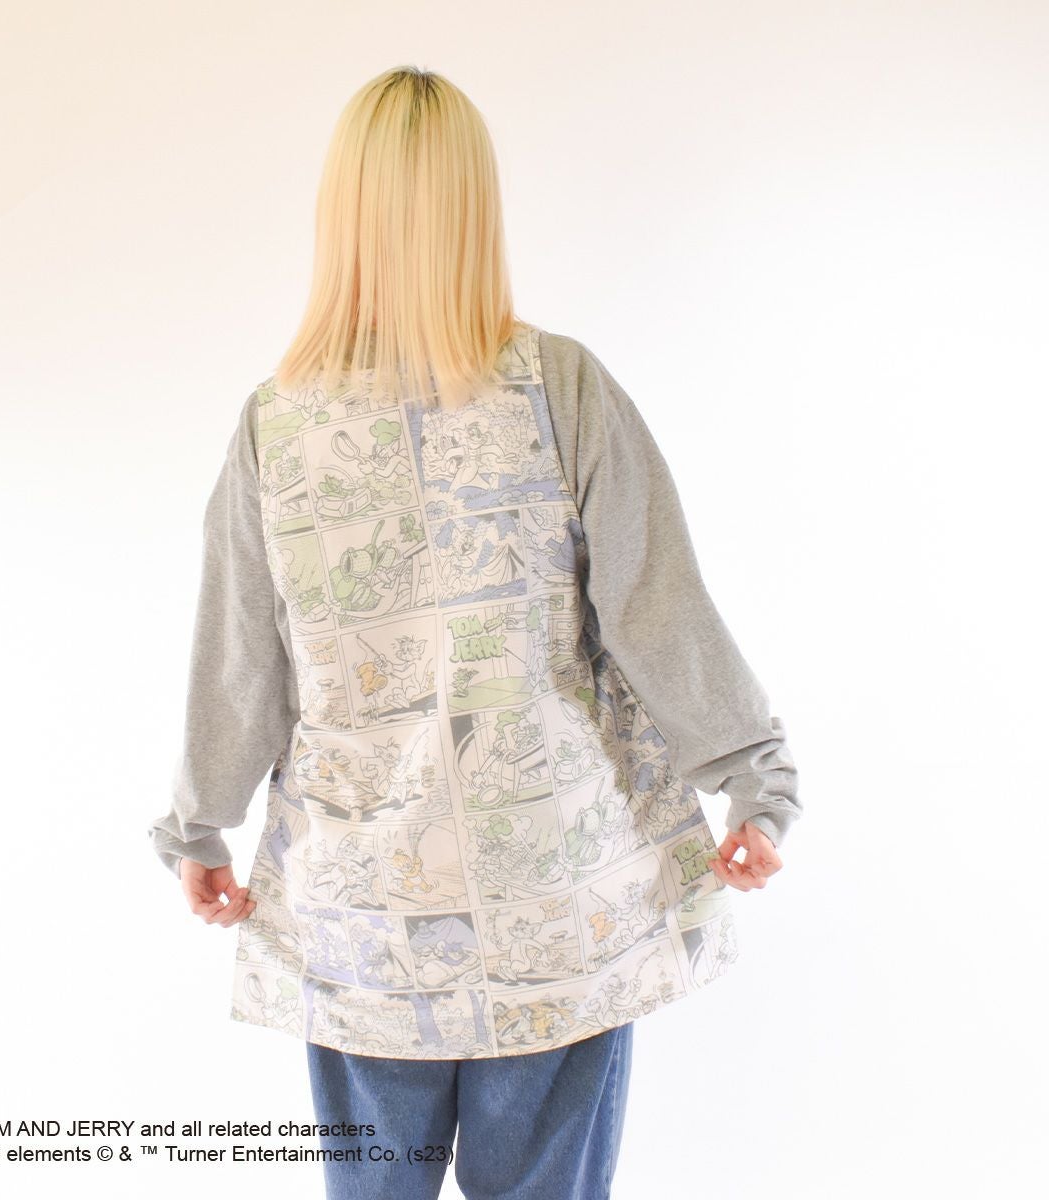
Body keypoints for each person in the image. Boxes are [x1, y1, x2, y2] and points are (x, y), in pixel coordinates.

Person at [147, 64, 801, 1200]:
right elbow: (656, 607)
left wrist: (200, 824)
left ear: (340, 214)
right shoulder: (559, 387)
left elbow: (242, 659)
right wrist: (755, 776)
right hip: (559, 907)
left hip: (365, 919)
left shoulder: (277, 426)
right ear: (476, 209)